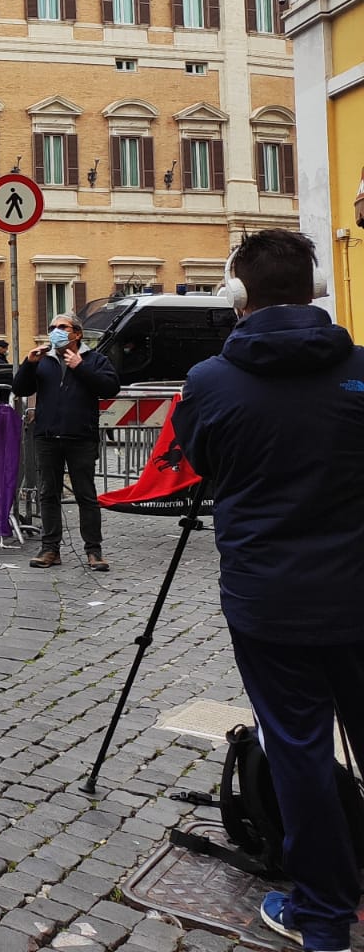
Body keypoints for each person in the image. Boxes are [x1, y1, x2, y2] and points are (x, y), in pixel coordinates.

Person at [174, 229, 364, 952]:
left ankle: (323, 917)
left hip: (269, 599)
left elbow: (203, 462)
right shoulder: (361, 370)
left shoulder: (210, 381)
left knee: (300, 753)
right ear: (315, 290)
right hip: (357, 588)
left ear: (239, 296)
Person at [11, 311, 120, 570]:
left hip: (80, 437)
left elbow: (110, 388)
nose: (56, 331)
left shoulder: (94, 359)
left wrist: (80, 367)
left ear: (77, 334)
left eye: (62, 327)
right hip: (47, 437)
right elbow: (20, 389)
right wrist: (28, 364)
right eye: (52, 327)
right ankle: (50, 549)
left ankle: (94, 551)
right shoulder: (43, 360)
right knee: (48, 494)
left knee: (86, 495)